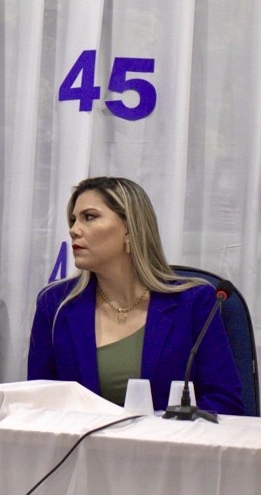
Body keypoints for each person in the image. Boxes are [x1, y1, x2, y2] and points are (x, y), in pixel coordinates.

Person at [28, 176, 244, 414]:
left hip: (171, 447)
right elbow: (41, 404)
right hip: (82, 449)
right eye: (73, 220)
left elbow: (225, 402)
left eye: (89, 217)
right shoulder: (55, 305)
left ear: (129, 228)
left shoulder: (194, 303)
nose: (74, 230)